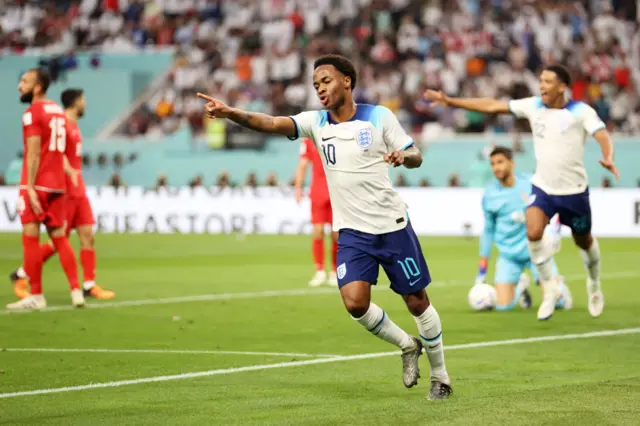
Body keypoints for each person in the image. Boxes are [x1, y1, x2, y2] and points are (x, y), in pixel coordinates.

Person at [197, 54, 452, 400]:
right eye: (316, 84)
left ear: (347, 81)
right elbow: (270, 123)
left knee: (417, 301)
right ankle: (407, 345)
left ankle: (441, 376)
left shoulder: (379, 116)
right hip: (351, 231)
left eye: (326, 81)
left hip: (391, 226)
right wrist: (230, 113)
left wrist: (403, 156)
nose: (320, 88)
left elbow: (416, 154)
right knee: (354, 303)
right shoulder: (316, 122)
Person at [424, 64, 618, 320]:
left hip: (574, 191)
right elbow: (493, 106)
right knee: (533, 232)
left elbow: (601, 134)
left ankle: (593, 284)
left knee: (584, 240)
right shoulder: (533, 105)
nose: (542, 86)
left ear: (562, 86)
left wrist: (608, 156)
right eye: (540, 80)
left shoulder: (581, 111)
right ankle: (549, 290)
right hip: (544, 187)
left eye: (548, 81)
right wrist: (451, 101)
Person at [10, 88, 116, 301]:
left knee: (88, 235)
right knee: (59, 240)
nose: (85, 103)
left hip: (79, 190)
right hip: (64, 190)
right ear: (76, 102)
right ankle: (23, 273)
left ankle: (88, 285)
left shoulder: (73, 126)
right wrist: (68, 171)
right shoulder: (61, 124)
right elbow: (57, 154)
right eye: (83, 100)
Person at [7, 69, 84, 310]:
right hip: (57, 184)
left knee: (30, 239)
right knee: (60, 239)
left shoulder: (32, 113)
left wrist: (28, 186)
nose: (20, 86)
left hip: (37, 182)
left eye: (24, 82)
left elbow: (34, 151)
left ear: (37, 87)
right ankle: (76, 291)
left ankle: (36, 295)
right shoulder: (59, 112)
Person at [476, 146, 572, 312]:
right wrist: (483, 264)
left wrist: (553, 232)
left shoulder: (531, 184)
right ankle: (521, 288)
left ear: (511, 163)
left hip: (536, 251)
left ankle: (559, 287)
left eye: (500, 162)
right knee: (503, 307)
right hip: (509, 255)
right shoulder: (489, 194)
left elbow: (552, 208)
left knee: (557, 303)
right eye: (493, 164)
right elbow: (489, 229)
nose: (496, 167)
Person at [294, 138, 338, 287]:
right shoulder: (308, 140)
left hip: (337, 192)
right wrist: (298, 187)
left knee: (336, 234)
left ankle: (334, 271)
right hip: (318, 192)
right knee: (318, 231)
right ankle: (319, 271)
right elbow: (303, 164)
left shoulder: (337, 134)